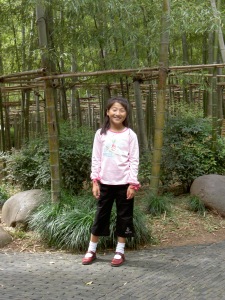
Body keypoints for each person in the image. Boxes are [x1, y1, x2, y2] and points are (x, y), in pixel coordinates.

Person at [82, 96, 140, 267]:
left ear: (126, 113)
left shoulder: (130, 135)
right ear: (107, 112)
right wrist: (95, 181)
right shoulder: (101, 134)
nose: (118, 113)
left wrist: (132, 183)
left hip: (124, 184)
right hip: (105, 183)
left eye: (122, 110)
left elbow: (134, 160)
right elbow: (96, 158)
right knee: (100, 216)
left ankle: (119, 252)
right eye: (114, 109)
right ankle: (91, 249)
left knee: (124, 217)